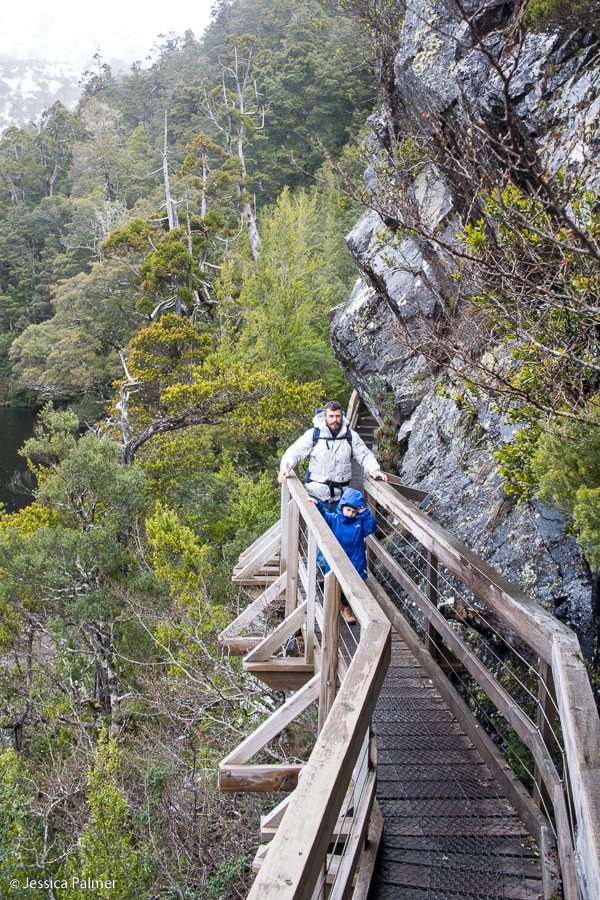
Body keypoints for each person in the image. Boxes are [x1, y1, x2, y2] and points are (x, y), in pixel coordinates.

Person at [278, 400, 388, 515]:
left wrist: (374, 469)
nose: (334, 420)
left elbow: (364, 455)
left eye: (337, 416)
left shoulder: (350, 436)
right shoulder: (314, 435)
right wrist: (285, 467)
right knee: (318, 526)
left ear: (342, 416)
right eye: (331, 416)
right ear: (325, 417)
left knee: (337, 527)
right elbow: (295, 452)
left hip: (341, 499)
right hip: (316, 496)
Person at [307, 488, 376, 624]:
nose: (350, 514)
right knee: (335, 585)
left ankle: (346, 609)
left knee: (351, 588)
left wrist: (365, 514)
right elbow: (324, 517)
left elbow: (371, 527)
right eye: (348, 510)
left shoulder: (359, 524)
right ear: (342, 507)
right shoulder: (335, 520)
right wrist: (318, 505)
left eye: (354, 512)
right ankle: (332, 610)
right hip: (336, 560)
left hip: (354, 561)